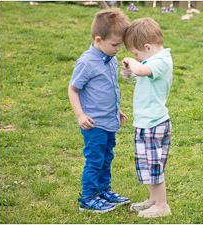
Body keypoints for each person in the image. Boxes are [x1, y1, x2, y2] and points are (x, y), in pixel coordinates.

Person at [66, 8, 130, 213]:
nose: (118, 49)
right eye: (115, 44)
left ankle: (103, 190)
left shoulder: (110, 58)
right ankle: (88, 198)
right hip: (93, 124)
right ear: (98, 39)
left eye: (120, 44)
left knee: (106, 157)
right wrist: (80, 115)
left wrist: (116, 110)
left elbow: (110, 89)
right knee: (95, 160)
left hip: (109, 120)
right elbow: (73, 89)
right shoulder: (87, 62)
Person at [120, 17, 173, 218]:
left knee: (154, 165)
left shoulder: (162, 61)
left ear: (148, 47)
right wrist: (129, 71)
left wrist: (134, 63)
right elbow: (140, 77)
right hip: (146, 122)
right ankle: (153, 200)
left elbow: (141, 69)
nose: (135, 57)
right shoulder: (153, 61)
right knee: (149, 165)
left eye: (135, 53)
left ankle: (162, 206)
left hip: (154, 123)